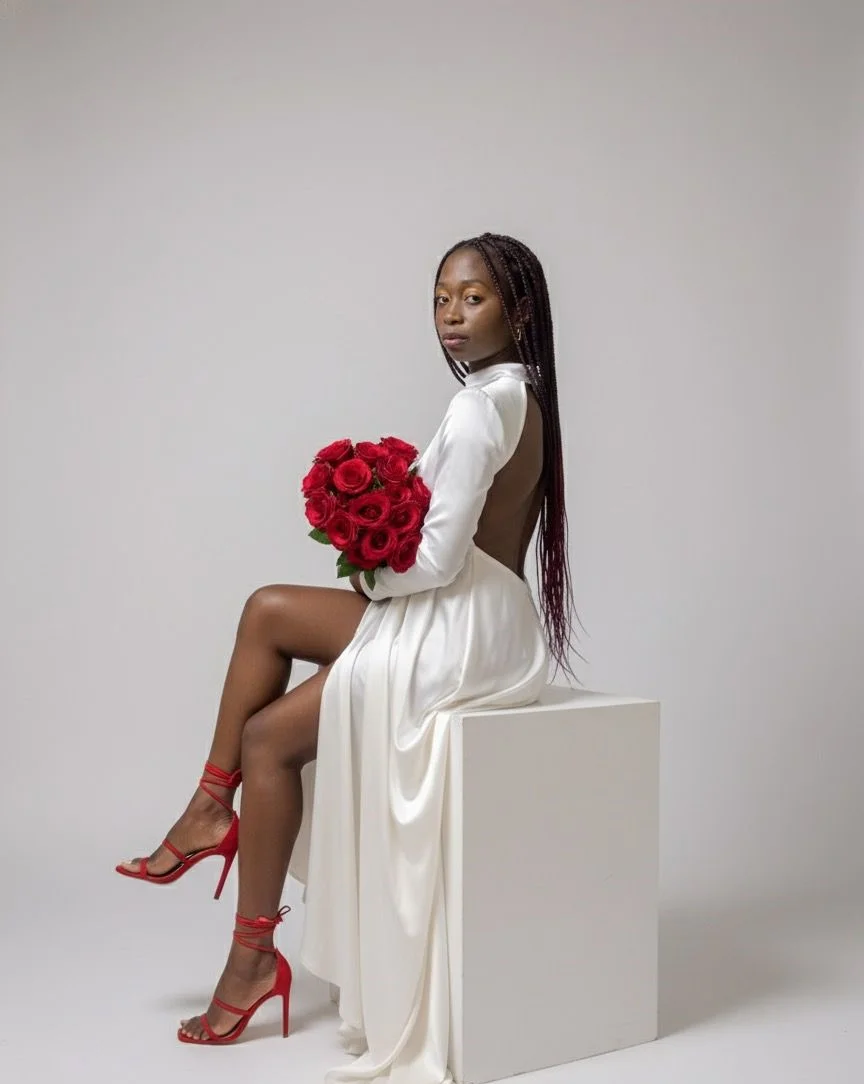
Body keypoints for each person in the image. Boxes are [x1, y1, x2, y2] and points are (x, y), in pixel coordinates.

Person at [116, 232, 583, 1079]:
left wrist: (365, 561)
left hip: (456, 622)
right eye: (440, 298)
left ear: (517, 310)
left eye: (473, 298)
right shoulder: (524, 396)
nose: (450, 314)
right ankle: (212, 812)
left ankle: (247, 942)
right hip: (492, 619)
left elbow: (436, 561)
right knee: (267, 613)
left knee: (268, 734)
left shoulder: (479, 408)